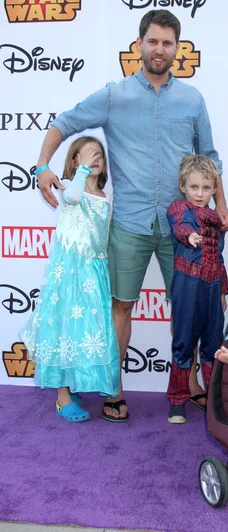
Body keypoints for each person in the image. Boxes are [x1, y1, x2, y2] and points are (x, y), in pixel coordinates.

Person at [34, 9, 228, 421]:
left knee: (188, 308)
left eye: (167, 42)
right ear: (139, 44)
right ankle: (114, 388)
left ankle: (190, 382)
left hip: (185, 228)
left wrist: (222, 204)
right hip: (128, 224)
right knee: (120, 308)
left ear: (177, 48)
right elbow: (63, 123)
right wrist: (41, 166)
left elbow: (209, 158)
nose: (159, 49)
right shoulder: (114, 95)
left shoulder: (192, 99)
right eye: (153, 41)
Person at [20, 137, 120, 422]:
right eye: (87, 154)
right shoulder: (68, 185)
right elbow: (74, 197)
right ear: (74, 161)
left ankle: (76, 385)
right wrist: (82, 172)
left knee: (84, 330)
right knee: (64, 328)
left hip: (94, 271)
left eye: (99, 154)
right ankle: (63, 397)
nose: (94, 158)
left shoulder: (105, 195)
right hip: (70, 271)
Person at [166, 155, 228, 423]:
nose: (199, 194)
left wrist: (223, 291)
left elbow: (220, 257)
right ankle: (177, 401)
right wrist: (189, 236)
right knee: (183, 341)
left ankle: (214, 401)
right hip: (188, 285)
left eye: (205, 188)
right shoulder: (179, 208)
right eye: (194, 187)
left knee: (214, 344)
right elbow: (180, 226)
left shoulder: (217, 220)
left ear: (214, 189)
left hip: (213, 287)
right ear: (183, 186)